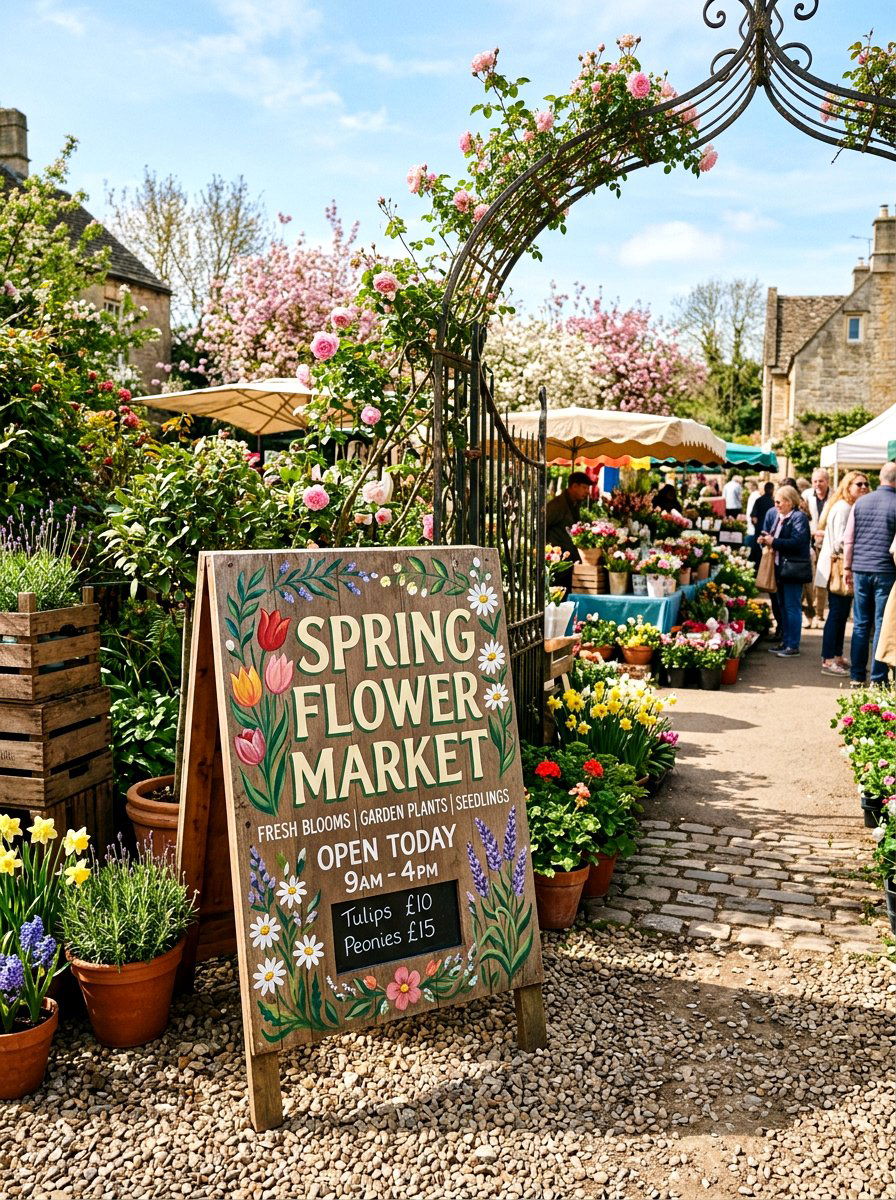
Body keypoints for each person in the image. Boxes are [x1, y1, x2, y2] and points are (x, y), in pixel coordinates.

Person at [844, 460, 896, 686]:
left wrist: (847, 567)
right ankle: (878, 677)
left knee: (860, 623)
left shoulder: (861, 502)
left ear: (881, 478)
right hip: (886, 570)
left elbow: (849, 539)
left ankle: (856, 675)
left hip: (860, 568)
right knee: (882, 624)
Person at [814, 471, 869, 676]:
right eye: (859, 484)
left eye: (866, 484)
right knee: (836, 614)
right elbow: (840, 541)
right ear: (848, 486)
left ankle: (836, 655)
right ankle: (828, 659)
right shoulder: (843, 508)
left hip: (839, 566)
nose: (864, 487)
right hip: (837, 567)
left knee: (841, 613)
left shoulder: (848, 506)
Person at [757, 484, 812, 657]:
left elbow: (798, 542)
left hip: (792, 569)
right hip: (780, 568)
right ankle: (786, 642)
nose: (776, 505)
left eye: (779, 502)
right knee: (783, 606)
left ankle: (793, 645)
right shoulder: (779, 517)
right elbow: (775, 538)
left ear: (789, 501)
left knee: (792, 607)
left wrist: (773, 541)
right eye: (775, 501)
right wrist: (765, 539)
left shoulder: (799, 518)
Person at [546, 471, 592, 590]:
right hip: (558, 563)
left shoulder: (574, 503)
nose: (588, 492)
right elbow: (542, 527)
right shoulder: (557, 505)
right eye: (584, 487)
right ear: (574, 486)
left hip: (568, 562)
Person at [803, 467, 832, 630]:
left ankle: (820, 613)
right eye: (815, 481)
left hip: (827, 542)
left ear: (827, 481)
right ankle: (809, 612)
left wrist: (824, 533)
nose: (818, 484)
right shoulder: (806, 495)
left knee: (823, 578)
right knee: (809, 579)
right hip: (809, 541)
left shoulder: (834, 497)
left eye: (821, 481)